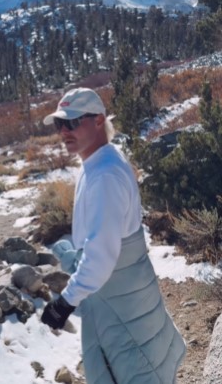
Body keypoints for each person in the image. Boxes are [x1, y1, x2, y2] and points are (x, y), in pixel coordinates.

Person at [41, 87, 186, 384]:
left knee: (133, 371)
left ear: (98, 121)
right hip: (125, 295)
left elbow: (100, 258)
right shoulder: (101, 160)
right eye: (59, 124)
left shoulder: (104, 175)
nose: (64, 131)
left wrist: (64, 303)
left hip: (119, 302)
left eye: (72, 122)